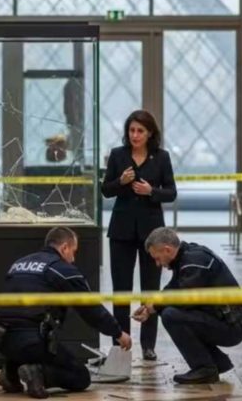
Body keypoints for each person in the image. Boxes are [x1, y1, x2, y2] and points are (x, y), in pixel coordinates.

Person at [0, 227, 132, 399]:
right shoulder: (62, 269)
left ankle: (11, 372)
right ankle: (38, 374)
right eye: (73, 251)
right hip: (32, 340)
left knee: (26, 340)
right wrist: (118, 333)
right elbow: (90, 308)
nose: (73, 259)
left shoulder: (19, 263)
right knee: (80, 377)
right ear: (64, 247)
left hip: (1, 339)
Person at [101, 109, 176, 361]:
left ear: (150, 133)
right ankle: (120, 341)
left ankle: (148, 345)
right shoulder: (117, 155)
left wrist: (151, 191)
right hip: (121, 231)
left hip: (152, 234)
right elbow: (105, 190)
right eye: (131, 130)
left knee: (150, 288)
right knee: (121, 288)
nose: (135, 135)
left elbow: (171, 192)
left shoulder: (162, 157)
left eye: (140, 131)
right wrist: (121, 181)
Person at [133, 227, 242, 384]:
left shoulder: (193, 262)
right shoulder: (186, 257)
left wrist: (157, 306)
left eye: (157, 258)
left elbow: (184, 299)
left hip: (232, 327)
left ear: (167, 250)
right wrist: (151, 306)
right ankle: (217, 362)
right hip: (223, 319)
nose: (157, 263)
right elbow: (173, 288)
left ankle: (205, 368)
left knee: (171, 315)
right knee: (171, 312)